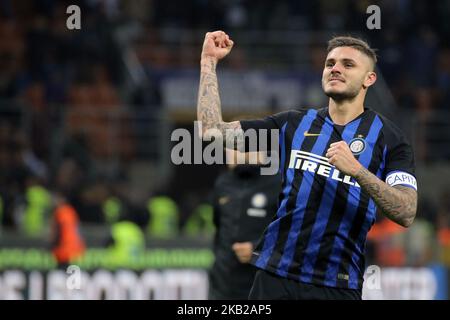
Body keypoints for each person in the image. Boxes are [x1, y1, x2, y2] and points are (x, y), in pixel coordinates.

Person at [197, 31, 418, 300]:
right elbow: (212, 132)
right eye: (330, 63)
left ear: (369, 79)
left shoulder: (391, 140)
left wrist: (359, 171)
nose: (335, 68)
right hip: (275, 277)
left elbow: (406, 211)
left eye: (348, 64)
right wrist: (208, 62)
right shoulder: (294, 124)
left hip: (337, 284)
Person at [208, 150, 280, 299]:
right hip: (222, 285)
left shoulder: (279, 182)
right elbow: (219, 228)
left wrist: (257, 250)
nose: (236, 153)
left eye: (244, 148)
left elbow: (289, 234)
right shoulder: (223, 183)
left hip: (260, 286)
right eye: (232, 148)